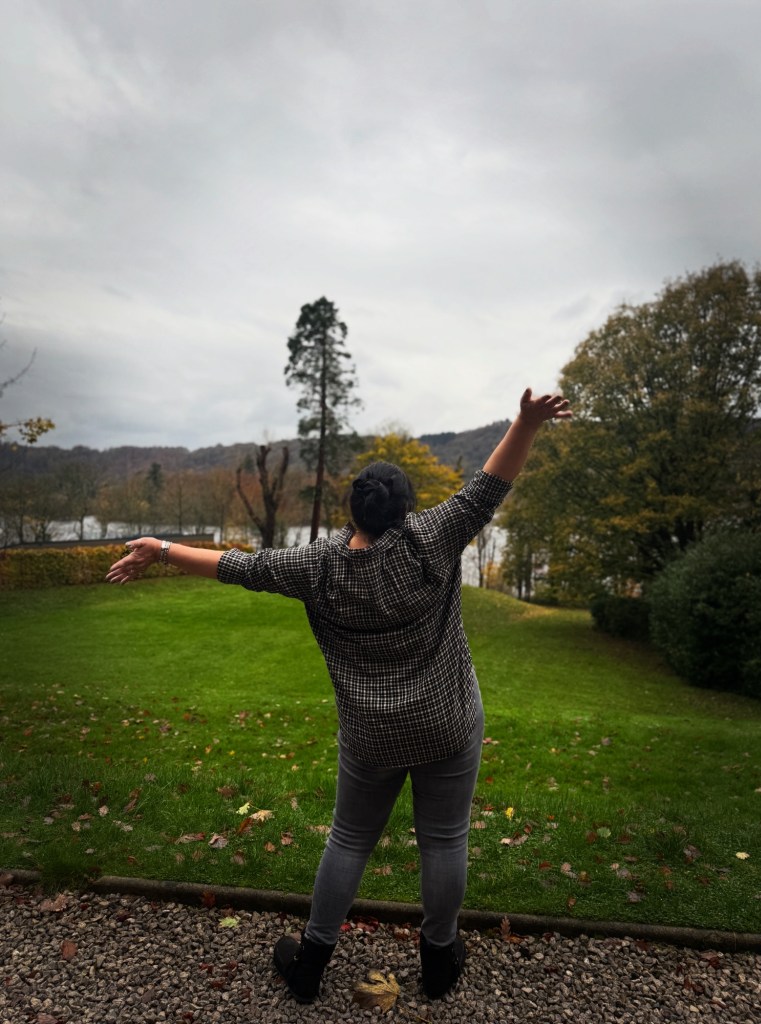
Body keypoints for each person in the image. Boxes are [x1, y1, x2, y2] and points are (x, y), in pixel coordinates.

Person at [106, 387, 571, 1004]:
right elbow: (489, 486)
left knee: (350, 838)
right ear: (405, 509)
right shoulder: (431, 538)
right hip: (447, 722)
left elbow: (236, 567)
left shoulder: (318, 566)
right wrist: (526, 423)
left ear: (354, 511)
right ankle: (439, 960)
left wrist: (161, 550)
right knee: (444, 839)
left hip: (370, 735)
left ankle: (310, 965)